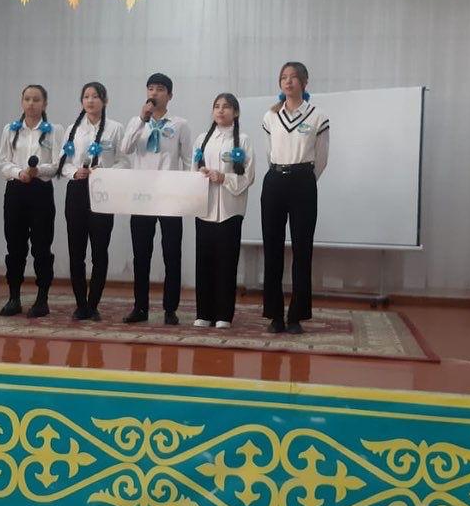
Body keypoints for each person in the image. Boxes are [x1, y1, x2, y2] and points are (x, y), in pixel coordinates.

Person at [260, 62, 329, 335]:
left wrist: (305, 180)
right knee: (272, 248)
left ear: (304, 81)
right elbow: (269, 153)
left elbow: (321, 158)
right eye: (283, 78)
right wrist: (281, 173)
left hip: (303, 182)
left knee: (302, 250)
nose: (288, 82)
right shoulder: (270, 116)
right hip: (274, 180)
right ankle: (275, 315)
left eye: (293, 77)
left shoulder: (317, 116)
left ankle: (296, 315)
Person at [120, 73, 192, 325]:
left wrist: (187, 191)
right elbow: (125, 149)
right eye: (150, 88)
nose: (154, 93)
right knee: (141, 254)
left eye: (160, 89)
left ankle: (170, 309)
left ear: (169, 95)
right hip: (142, 195)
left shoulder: (180, 124)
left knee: (172, 253)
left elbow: (189, 160)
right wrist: (142, 119)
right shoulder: (136, 122)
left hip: (170, 194)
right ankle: (140, 307)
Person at [58, 82, 127, 321]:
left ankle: (93, 303)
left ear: (105, 101)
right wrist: (74, 172)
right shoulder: (73, 129)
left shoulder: (115, 128)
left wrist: (105, 172)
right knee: (76, 251)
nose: (90, 100)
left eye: (95, 96)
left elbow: (123, 161)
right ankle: (80, 304)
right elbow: (63, 163)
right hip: (77, 191)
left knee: (99, 250)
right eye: (86, 96)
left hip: (103, 192)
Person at [0, 85, 63, 318]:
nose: (31, 104)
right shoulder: (11, 129)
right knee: (15, 246)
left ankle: (42, 298)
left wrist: (37, 170)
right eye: (27, 99)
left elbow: (57, 164)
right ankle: (14, 297)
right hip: (16, 190)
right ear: (22, 102)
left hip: (40, 191)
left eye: (36, 100)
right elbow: (2, 162)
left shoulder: (54, 130)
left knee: (42, 247)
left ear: (45, 103)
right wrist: (18, 173)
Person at [191, 93, 255, 329]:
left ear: (235, 113)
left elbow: (249, 175)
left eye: (226, 107)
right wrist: (201, 176)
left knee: (226, 264)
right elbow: (193, 171)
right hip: (205, 209)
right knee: (204, 263)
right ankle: (203, 313)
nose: (220, 110)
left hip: (230, 211)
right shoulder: (202, 139)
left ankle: (224, 315)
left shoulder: (243, 140)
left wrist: (223, 178)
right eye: (216, 106)